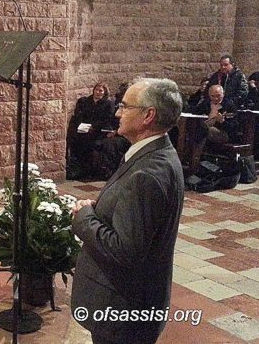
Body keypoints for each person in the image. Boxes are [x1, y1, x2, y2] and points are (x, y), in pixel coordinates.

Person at [70, 78, 185, 344]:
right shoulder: (155, 154)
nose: (118, 112)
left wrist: (84, 218)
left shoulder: (148, 172)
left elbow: (125, 250)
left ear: (148, 115)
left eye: (125, 106)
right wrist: (101, 209)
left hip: (123, 308)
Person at [66, 82, 117, 179]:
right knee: (76, 140)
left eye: (100, 91)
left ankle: (90, 171)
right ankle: (78, 169)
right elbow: (79, 116)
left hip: (98, 131)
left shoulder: (107, 104)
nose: (98, 92)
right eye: (96, 90)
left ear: (104, 92)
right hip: (84, 128)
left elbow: (107, 119)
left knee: (92, 143)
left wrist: (94, 126)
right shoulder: (85, 101)